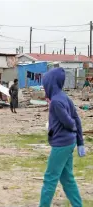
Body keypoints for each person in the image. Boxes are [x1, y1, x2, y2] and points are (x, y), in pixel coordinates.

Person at [39, 67, 85, 207]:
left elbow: (70, 122)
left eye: (45, 84)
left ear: (51, 84)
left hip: (61, 144)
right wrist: (80, 141)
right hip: (69, 142)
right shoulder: (64, 97)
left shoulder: (56, 102)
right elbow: (76, 118)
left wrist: (72, 129)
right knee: (67, 179)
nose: (44, 87)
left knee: (50, 178)